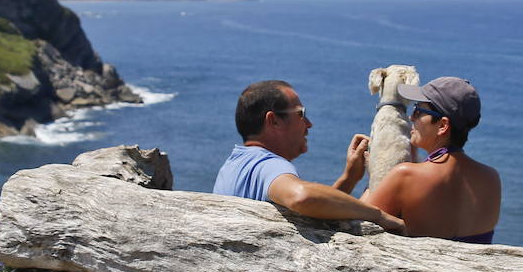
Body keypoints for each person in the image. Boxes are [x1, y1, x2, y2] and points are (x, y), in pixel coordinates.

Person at [213, 79, 404, 232]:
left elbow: (312, 212)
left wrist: (349, 178)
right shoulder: (269, 165)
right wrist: (378, 215)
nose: (309, 123)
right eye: (301, 114)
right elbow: (302, 197)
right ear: (274, 121)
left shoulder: (234, 164)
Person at [361, 76, 500, 242]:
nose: (411, 118)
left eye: (419, 111)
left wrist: (367, 177)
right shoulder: (491, 178)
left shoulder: (405, 176)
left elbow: (359, 225)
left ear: (442, 126)